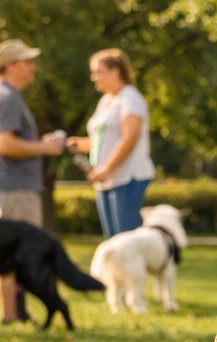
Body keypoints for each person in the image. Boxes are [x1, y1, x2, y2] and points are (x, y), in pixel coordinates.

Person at [0, 38, 64, 323]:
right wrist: (44, 147)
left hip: (2, 185)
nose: (33, 68)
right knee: (21, 253)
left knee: (7, 254)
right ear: (10, 66)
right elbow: (5, 144)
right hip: (14, 187)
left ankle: (12, 314)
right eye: (27, 63)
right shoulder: (7, 97)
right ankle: (13, 315)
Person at [65, 48, 154, 237]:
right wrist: (79, 144)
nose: (94, 77)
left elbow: (130, 137)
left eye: (98, 72)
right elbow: (102, 140)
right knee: (112, 242)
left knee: (126, 242)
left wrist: (106, 168)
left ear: (116, 71)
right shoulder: (106, 101)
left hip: (127, 177)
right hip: (106, 180)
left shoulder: (130, 98)